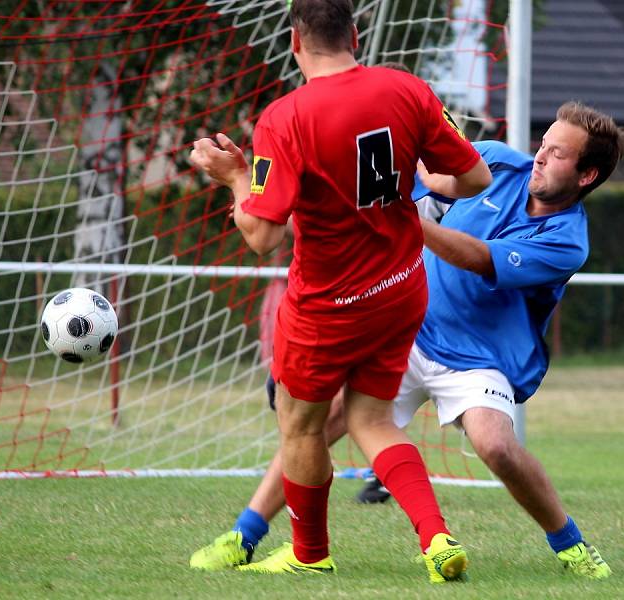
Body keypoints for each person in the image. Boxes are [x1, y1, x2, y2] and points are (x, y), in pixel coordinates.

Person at [190, 99, 624, 581]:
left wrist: (403, 220)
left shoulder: (568, 240)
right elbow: (432, 179)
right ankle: (243, 537)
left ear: (586, 175)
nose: (541, 156)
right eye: (543, 144)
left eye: (559, 154)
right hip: (410, 330)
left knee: (495, 445)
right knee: (317, 421)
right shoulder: (500, 162)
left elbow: (478, 257)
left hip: (480, 360)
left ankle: (570, 545)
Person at [188, 0, 491, 584]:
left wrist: (232, 179)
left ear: (294, 42)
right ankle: (435, 538)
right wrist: (421, 181)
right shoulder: (408, 89)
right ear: (355, 34)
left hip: (327, 306)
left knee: (300, 427)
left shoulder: (283, 118)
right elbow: (475, 177)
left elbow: (263, 237)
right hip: (402, 289)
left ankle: (309, 553)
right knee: (372, 419)